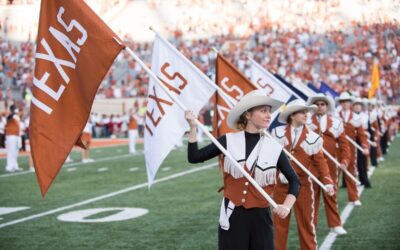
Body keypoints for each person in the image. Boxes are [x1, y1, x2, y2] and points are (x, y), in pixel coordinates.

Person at [185, 90, 300, 250]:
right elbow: (194, 157)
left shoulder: (274, 147)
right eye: (263, 111)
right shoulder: (228, 140)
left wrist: (286, 206)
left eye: (269, 111)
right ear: (247, 115)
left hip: (261, 217)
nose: (268, 115)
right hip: (233, 215)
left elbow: (294, 180)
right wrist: (192, 127)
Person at [271, 99, 334, 250]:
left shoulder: (314, 137)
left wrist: (327, 181)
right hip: (280, 185)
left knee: (307, 223)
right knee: (278, 225)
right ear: (292, 115)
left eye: (307, 112)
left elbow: (320, 162)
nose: (306, 115)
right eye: (302, 112)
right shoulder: (276, 133)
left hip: (303, 185)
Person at [306, 93, 350, 235]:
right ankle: (311, 225)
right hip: (311, 165)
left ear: (327, 106)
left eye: (322, 104)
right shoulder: (305, 122)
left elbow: (344, 145)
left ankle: (335, 224)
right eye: (317, 104)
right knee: (312, 197)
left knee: (331, 195)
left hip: (331, 165)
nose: (319, 106)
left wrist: (344, 161)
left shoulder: (336, 123)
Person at [335, 92, 369, 206]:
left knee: (351, 173)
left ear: (350, 103)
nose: (345, 104)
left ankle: (353, 198)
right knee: (334, 174)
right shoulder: (335, 115)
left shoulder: (356, 117)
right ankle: (332, 199)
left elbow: (361, 134)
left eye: (347, 101)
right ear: (340, 103)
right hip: (336, 149)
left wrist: (364, 146)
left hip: (350, 149)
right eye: (343, 101)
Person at [4, 105, 22, 172]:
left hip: (16, 135)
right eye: (15, 108)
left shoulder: (16, 116)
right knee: (11, 151)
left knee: (15, 152)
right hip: (11, 135)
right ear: (13, 109)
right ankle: (9, 167)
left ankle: (15, 166)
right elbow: (8, 118)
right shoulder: (10, 116)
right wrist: (13, 113)